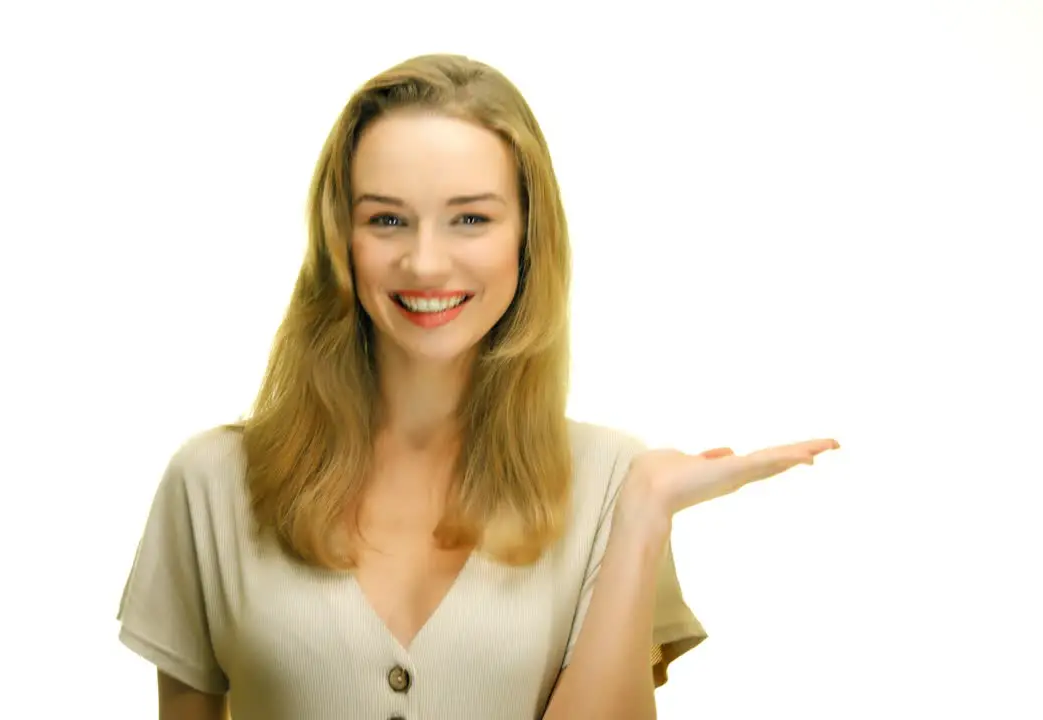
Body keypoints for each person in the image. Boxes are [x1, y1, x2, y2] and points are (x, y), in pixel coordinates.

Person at [115, 52, 839, 720]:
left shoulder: (614, 483)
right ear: (342, 238)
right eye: (388, 219)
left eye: (470, 218)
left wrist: (644, 515)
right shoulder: (210, 484)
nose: (425, 263)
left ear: (527, 235)